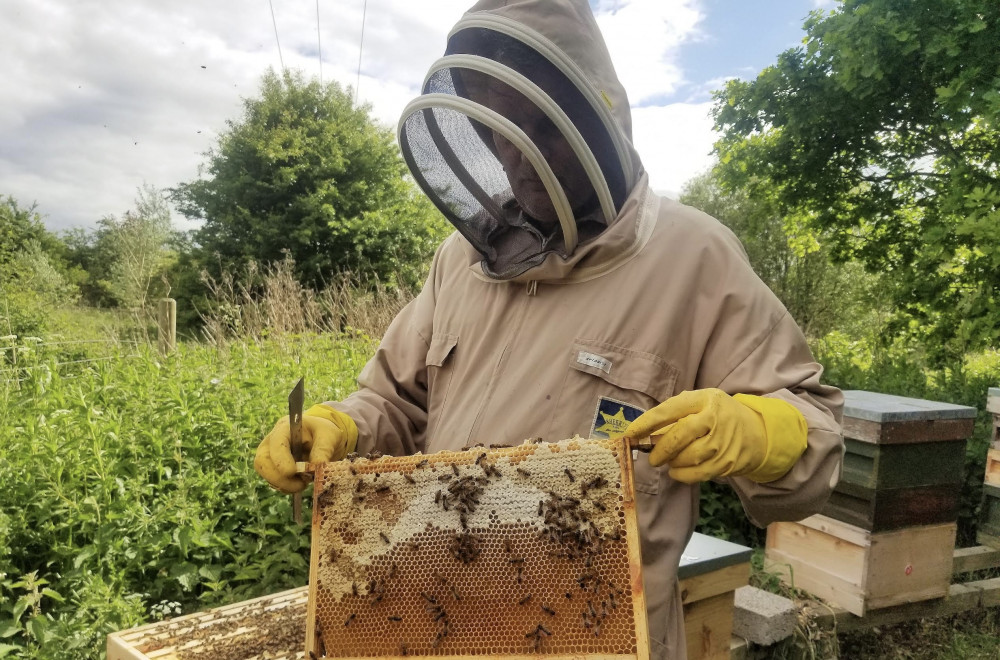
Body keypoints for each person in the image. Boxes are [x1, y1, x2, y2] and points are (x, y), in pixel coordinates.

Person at [254, 1, 844, 658]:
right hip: (437, 630)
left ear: (601, 120)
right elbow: (394, 400)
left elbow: (812, 441)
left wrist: (766, 431)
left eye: (543, 127)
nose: (518, 153)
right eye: (500, 129)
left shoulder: (695, 257)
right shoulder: (459, 262)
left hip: (599, 640)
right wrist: (346, 425)